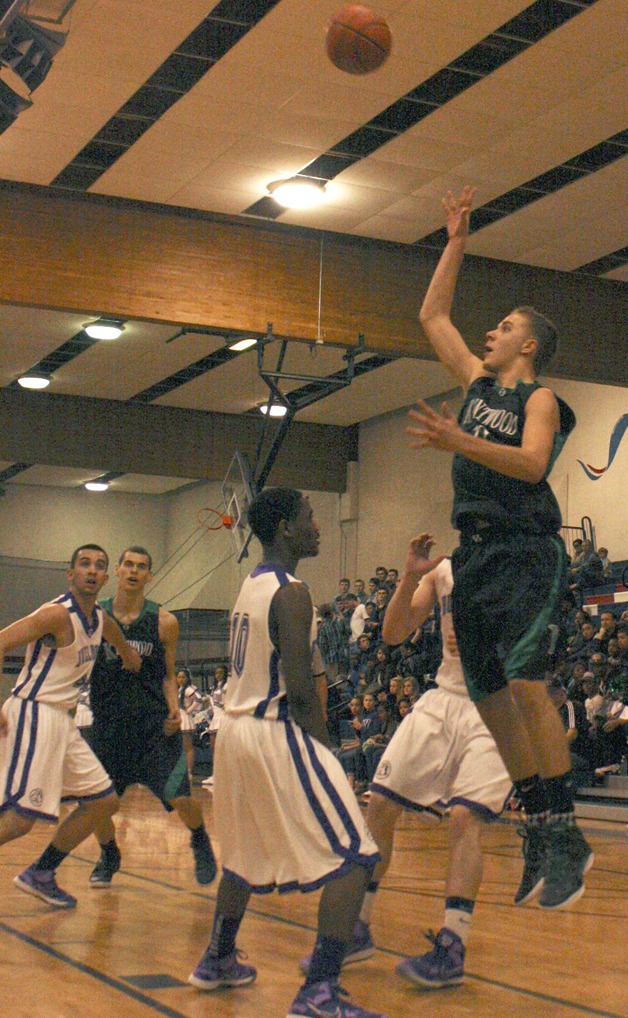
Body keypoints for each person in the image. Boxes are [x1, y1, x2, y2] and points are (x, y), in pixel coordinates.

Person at [413, 184, 592, 910]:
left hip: (526, 551)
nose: (493, 329)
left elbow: (532, 464)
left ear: (530, 346)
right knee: (488, 698)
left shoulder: (537, 398)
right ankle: (541, 819)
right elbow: (432, 315)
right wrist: (455, 240)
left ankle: (568, 830)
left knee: (524, 686)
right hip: (477, 555)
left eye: (507, 323)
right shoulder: (478, 381)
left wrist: (457, 438)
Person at [188, 487, 385, 1018]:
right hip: (274, 729)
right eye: (310, 518)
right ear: (285, 529)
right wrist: (326, 757)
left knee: (243, 857)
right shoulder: (292, 591)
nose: (318, 526)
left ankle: (218, 958)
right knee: (357, 857)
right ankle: (319, 990)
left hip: (234, 733)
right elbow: (300, 689)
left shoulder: (249, 585)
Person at [303, 534, 512, 988]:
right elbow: (393, 633)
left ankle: (452, 946)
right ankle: (359, 925)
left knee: (464, 818)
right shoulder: (444, 570)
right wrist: (410, 577)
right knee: (378, 803)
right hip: (443, 698)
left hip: (497, 704)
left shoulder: (524, 567)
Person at [56, 545, 216, 889]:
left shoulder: (164, 621)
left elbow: (168, 674)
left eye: (141, 567)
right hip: (108, 726)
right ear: (117, 571)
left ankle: (200, 839)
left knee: (182, 798)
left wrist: (175, 706)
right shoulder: (94, 618)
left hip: (154, 728)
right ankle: (109, 852)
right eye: (127, 564)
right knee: (97, 804)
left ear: (149, 576)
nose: (133, 571)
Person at [0, 544, 141, 908]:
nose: (92, 571)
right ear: (70, 574)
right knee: (18, 820)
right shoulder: (55, 615)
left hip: (64, 721)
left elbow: (117, 640)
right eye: (84, 564)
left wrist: (128, 656)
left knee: (103, 800)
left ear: (106, 578)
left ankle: (41, 872)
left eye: (99, 566)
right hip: (35, 712)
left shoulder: (100, 619)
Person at [176, 666, 203, 778]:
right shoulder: (180, 690)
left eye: (183, 677)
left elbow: (199, 699)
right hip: (180, 719)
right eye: (179, 677)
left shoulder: (188, 689)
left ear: (187, 678)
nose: (181, 679)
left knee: (187, 747)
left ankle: (189, 771)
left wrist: (189, 710)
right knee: (182, 747)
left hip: (185, 719)